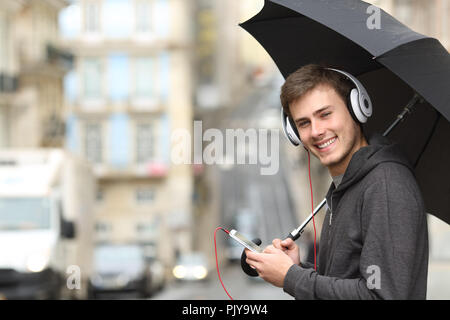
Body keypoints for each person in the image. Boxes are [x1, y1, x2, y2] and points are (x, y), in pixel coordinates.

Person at [245, 64, 429, 299]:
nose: (316, 131)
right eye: (303, 123)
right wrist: (298, 270)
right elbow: (347, 280)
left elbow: (383, 296)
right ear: (294, 133)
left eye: (325, 114)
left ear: (356, 109)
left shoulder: (385, 185)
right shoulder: (345, 187)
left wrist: (293, 278)